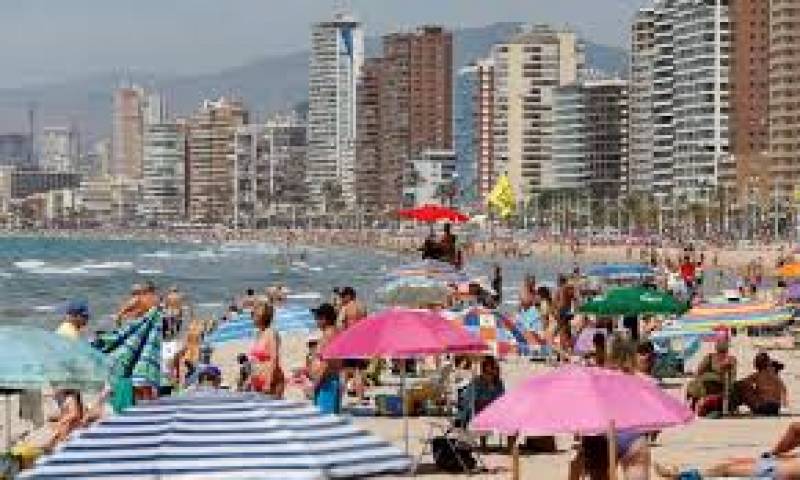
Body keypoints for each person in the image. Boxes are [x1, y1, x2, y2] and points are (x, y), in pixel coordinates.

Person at [655, 421, 800, 478]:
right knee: (730, 463)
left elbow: (795, 428)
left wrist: (773, 453)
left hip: (780, 472)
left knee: (725, 467)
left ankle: (684, 476)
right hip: (785, 467)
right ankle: (685, 474)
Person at [686, 338, 736, 414]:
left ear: (716, 348)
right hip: (723, 384)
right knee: (697, 383)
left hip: (712, 383)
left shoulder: (710, 357)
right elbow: (733, 375)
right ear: (727, 349)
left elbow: (699, 370)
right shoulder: (731, 359)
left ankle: (694, 403)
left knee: (695, 384)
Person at [730, 352, 787, 416]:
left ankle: (731, 409)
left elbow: (741, 383)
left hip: (763, 407)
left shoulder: (758, 375)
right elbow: (784, 389)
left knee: (741, 387)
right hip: (775, 407)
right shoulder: (775, 376)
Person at [310, 303, 342, 414]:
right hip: (328, 381)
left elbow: (326, 363)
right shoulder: (332, 333)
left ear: (324, 319)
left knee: (325, 419)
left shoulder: (330, 335)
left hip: (327, 383)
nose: (315, 320)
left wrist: (315, 385)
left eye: (317, 317)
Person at [248, 301, 285, 398]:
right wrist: (249, 378)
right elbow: (255, 360)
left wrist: (268, 382)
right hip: (257, 379)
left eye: (254, 315)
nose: (251, 318)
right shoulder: (258, 334)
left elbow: (274, 358)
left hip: (271, 379)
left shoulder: (271, 333)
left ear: (261, 317)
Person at [458, 356, 505, 425]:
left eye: (495, 369)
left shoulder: (498, 383)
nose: (492, 372)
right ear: (483, 370)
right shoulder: (477, 382)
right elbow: (469, 400)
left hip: (494, 414)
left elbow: (502, 400)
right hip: (478, 415)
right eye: (488, 371)